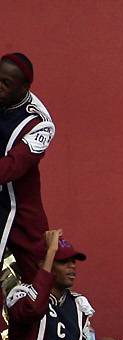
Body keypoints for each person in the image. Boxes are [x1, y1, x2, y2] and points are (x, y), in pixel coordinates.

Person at [0, 51, 52, 270]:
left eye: (6, 83)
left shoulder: (40, 124)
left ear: (24, 88)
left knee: (37, 274)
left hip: (20, 212)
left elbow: (12, 167)